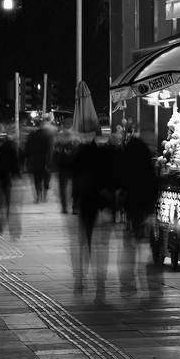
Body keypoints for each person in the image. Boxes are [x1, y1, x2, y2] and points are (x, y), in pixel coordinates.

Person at [69, 126, 116, 295]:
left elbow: (75, 177)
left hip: (86, 201)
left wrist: (75, 201)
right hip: (102, 202)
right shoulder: (105, 154)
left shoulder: (81, 154)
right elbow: (111, 177)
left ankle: (80, 278)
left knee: (84, 242)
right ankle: (100, 282)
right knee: (102, 244)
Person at [120, 130, 157, 238]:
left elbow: (123, 173)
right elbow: (151, 172)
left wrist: (123, 188)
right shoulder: (145, 154)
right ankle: (145, 229)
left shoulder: (128, 156)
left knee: (135, 211)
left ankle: (138, 230)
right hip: (146, 187)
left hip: (132, 189)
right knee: (145, 210)